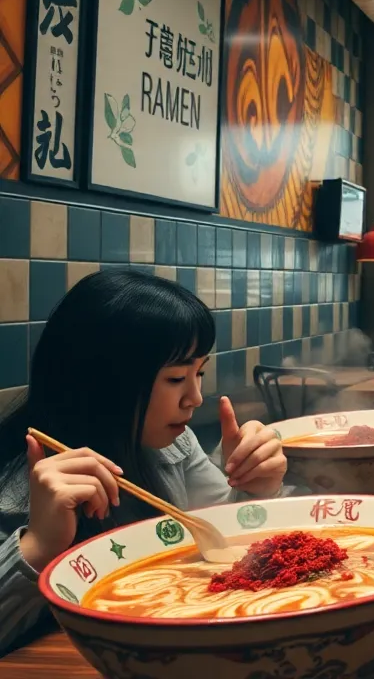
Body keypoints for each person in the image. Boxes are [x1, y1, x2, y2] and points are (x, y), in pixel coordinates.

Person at [0, 270, 288, 653]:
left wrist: (256, 487)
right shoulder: (16, 490)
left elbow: (222, 541)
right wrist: (38, 545)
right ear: (103, 380)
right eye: (176, 378)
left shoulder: (174, 444)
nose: (195, 398)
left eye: (199, 372)